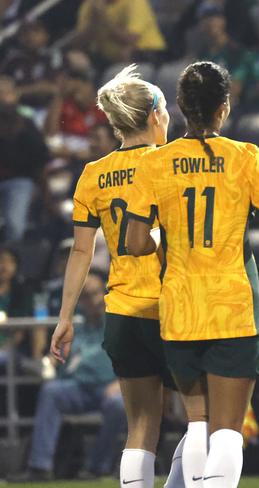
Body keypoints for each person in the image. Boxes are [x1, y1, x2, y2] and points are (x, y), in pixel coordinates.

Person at [125, 60, 259, 488]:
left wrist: (171, 241)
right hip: (232, 307)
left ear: (181, 105)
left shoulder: (155, 162)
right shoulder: (246, 156)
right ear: (225, 107)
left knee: (198, 422)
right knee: (227, 431)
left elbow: (135, 244)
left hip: (180, 308)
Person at [48, 65, 181, 488]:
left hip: (122, 310)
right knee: (211, 419)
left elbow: (81, 252)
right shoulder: (172, 162)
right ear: (156, 114)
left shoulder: (92, 174)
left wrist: (65, 316)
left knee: (140, 428)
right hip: (176, 306)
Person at [9, 271, 126, 482]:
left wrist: (120, 383)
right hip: (78, 387)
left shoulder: (117, 321)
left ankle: (97, 467)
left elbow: (134, 357)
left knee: (118, 404)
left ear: (104, 294)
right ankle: (40, 466)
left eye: (94, 294)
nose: (90, 301)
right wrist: (49, 361)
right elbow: (61, 354)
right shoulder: (75, 324)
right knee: (51, 391)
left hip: (110, 387)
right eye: (85, 296)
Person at [0, 76, 49, 243]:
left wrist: (38, 185)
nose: (2, 98)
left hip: (18, 181)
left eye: (5, 94)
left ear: (14, 96)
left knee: (15, 226)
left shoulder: (25, 122)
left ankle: (9, 261)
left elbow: (41, 155)